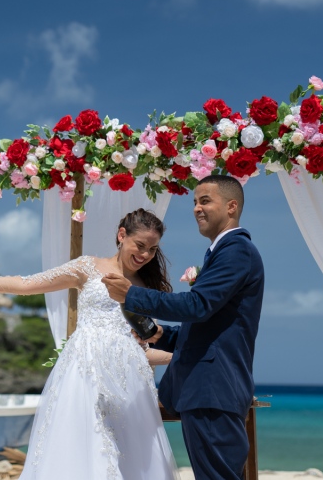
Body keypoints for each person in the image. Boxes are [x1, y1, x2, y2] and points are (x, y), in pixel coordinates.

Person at [0, 208, 178, 480]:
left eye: (152, 250)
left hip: (129, 387)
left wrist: (175, 356)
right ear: (122, 235)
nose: (145, 255)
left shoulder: (147, 288)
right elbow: (26, 284)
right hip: (85, 377)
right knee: (86, 456)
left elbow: (140, 350)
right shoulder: (87, 267)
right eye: (140, 245)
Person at [102, 175, 264, 480]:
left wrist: (131, 294)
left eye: (205, 200)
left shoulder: (236, 251)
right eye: (194, 202)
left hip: (213, 389)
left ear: (232, 207)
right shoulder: (221, 252)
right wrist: (163, 335)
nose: (196, 209)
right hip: (205, 392)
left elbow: (197, 306)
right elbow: (212, 326)